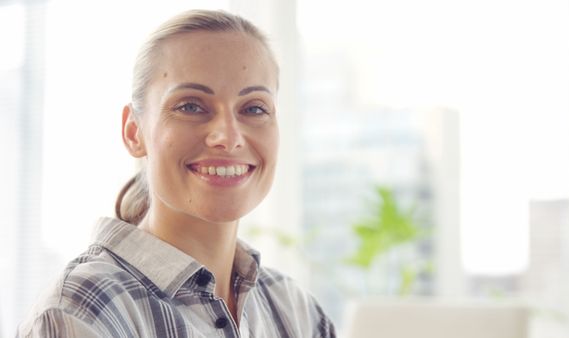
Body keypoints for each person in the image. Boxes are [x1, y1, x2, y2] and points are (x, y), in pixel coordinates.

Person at [17, 9, 335, 338]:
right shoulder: (81, 312)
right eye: (190, 106)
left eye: (254, 108)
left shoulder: (295, 310)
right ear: (133, 132)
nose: (227, 137)